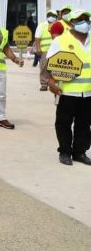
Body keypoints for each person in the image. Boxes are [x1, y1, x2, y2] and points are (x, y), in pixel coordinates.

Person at [45, 9, 91, 166]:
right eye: (79, 19)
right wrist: (51, 81)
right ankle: (65, 151)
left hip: (88, 92)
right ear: (71, 22)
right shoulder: (61, 40)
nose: (84, 22)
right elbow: (51, 62)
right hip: (67, 91)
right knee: (63, 122)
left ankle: (79, 152)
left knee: (84, 124)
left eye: (86, 19)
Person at [35, 9, 59, 91]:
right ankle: (44, 84)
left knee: (56, 67)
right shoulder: (41, 25)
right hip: (45, 50)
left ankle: (54, 83)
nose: (51, 17)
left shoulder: (59, 25)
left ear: (56, 17)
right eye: (49, 15)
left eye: (53, 15)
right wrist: (38, 48)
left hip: (56, 50)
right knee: (44, 67)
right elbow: (37, 38)